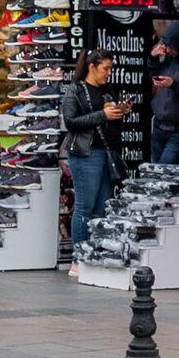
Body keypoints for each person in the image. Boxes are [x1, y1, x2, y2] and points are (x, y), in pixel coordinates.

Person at [67, 54, 128, 246]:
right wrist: (102, 115)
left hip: (106, 151)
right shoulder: (75, 90)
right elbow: (70, 122)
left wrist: (120, 112)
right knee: (84, 206)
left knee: (102, 207)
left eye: (111, 69)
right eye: (106, 68)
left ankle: (96, 252)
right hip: (86, 153)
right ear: (92, 67)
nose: (109, 73)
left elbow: (110, 122)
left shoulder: (108, 90)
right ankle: (79, 255)